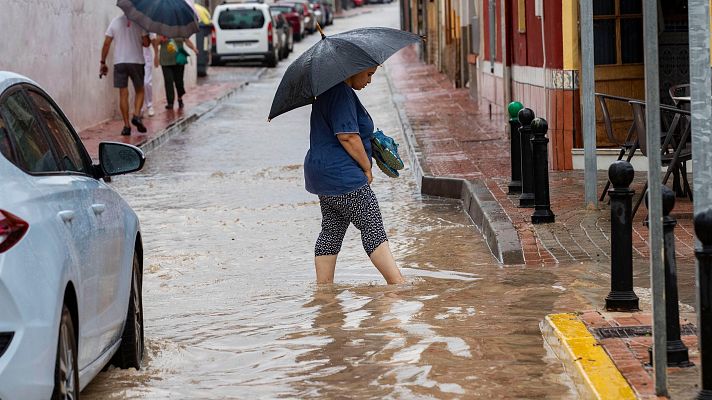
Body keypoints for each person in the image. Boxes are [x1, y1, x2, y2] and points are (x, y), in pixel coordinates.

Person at [305, 66, 405, 285]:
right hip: (343, 175)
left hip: (321, 175)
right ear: (353, 69)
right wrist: (366, 167)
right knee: (372, 224)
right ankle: (397, 284)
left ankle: (324, 292)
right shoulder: (341, 92)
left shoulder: (328, 91)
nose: (369, 80)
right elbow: (348, 136)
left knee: (331, 230)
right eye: (368, 74)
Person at [100, 13, 151, 136]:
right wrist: (146, 34)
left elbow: (107, 43)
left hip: (120, 62)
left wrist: (103, 62)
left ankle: (126, 126)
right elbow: (146, 43)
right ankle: (137, 115)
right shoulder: (140, 22)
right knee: (140, 90)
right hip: (136, 61)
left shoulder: (115, 21)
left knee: (123, 93)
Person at [156, 36, 198, 110]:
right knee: (168, 81)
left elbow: (187, 40)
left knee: (179, 82)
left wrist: (194, 48)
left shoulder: (180, 28)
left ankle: (179, 98)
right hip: (165, 60)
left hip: (179, 59)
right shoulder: (162, 28)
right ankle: (170, 103)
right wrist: (160, 39)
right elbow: (156, 43)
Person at [142, 34, 159, 117]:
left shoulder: (147, 24)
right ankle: (140, 108)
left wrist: (156, 56)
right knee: (139, 83)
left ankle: (149, 105)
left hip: (146, 57)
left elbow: (154, 41)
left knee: (146, 82)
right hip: (134, 57)